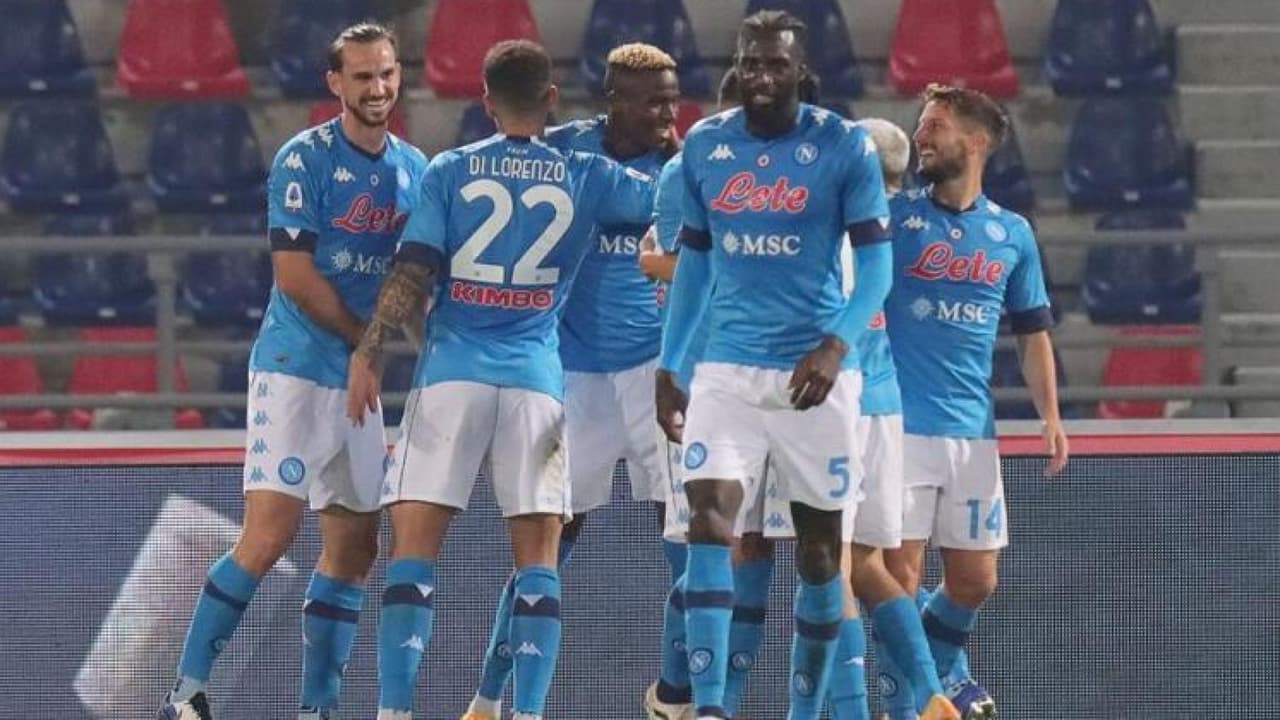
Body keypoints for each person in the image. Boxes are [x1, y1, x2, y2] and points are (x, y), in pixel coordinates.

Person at [344, 39, 656, 720]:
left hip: (451, 374)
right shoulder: (587, 174)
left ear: (485, 102)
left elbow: (413, 269)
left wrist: (369, 350)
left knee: (413, 555)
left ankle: (394, 713)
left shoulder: (451, 170)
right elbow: (673, 199)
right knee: (539, 562)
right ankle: (528, 713)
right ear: (551, 100)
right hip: (536, 380)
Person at [657, 11, 954, 720]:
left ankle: (802, 712)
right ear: (737, 67)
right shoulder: (706, 145)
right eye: (751, 63)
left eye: (776, 65)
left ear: (801, 72)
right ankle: (709, 709)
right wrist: (671, 362)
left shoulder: (841, 147)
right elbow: (695, 261)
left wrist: (836, 343)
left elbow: (877, 269)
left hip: (815, 382)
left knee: (823, 558)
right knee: (710, 523)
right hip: (727, 372)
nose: (761, 76)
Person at [158, 23, 427, 720]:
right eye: (362, 76)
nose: (378, 88)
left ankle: (317, 708)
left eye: (387, 73)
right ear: (335, 83)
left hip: (359, 376)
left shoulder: (415, 168)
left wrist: (425, 353)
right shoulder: (303, 159)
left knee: (355, 546)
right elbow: (296, 277)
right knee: (269, 534)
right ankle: (185, 695)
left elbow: (413, 279)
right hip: (295, 367)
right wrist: (366, 345)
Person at [460, 42, 681, 720]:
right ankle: (487, 701)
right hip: (573, 374)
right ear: (614, 101)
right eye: (654, 102)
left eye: (673, 99)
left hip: (654, 373)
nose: (669, 114)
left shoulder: (687, 166)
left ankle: (678, 697)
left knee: (687, 543)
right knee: (544, 546)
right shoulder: (560, 154)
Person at [879, 84, 1070, 720]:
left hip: (972, 433)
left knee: (975, 581)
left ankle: (942, 672)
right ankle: (910, 704)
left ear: (977, 141)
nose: (921, 136)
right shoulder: (895, 219)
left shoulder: (1012, 233)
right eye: (920, 125)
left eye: (935, 125)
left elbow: (1033, 332)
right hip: (900, 427)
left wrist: (1050, 416)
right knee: (898, 580)